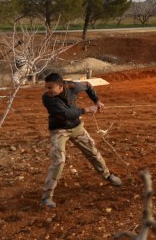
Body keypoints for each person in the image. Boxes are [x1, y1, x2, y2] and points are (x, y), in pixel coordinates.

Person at [40, 72, 121, 208]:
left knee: (93, 152)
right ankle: (46, 198)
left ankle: (107, 175)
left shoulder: (73, 86)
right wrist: (87, 109)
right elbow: (66, 114)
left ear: (61, 87)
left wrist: (97, 101)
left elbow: (88, 85)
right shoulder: (47, 99)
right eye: (46, 87)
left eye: (50, 88)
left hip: (76, 127)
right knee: (59, 160)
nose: (47, 91)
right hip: (59, 130)